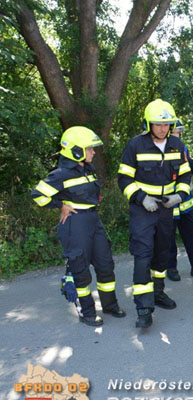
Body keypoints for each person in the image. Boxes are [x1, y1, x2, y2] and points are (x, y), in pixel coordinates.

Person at [31, 126, 125, 326]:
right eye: (89, 148)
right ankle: (87, 312)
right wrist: (60, 205)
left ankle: (110, 305)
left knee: (105, 265)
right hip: (76, 224)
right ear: (75, 150)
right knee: (81, 271)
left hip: (93, 220)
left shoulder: (87, 169)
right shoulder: (61, 174)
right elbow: (37, 195)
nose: (93, 152)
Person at [117, 99, 192, 328]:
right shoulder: (135, 145)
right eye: (158, 124)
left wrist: (179, 195)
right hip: (143, 210)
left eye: (167, 124)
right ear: (148, 124)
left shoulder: (177, 147)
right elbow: (124, 178)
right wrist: (141, 198)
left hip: (166, 209)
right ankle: (143, 307)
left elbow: (185, 176)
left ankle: (158, 293)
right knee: (143, 254)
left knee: (162, 253)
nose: (163, 128)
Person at [166, 119, 193, 281]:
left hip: (185, 203)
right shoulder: (161, 150)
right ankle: (171, 268)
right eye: (176, 132)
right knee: (168, 238)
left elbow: (190, 166)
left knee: (192, 234)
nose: (179, 135)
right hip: (169, 203)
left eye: (179, 133)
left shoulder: (182, 147)